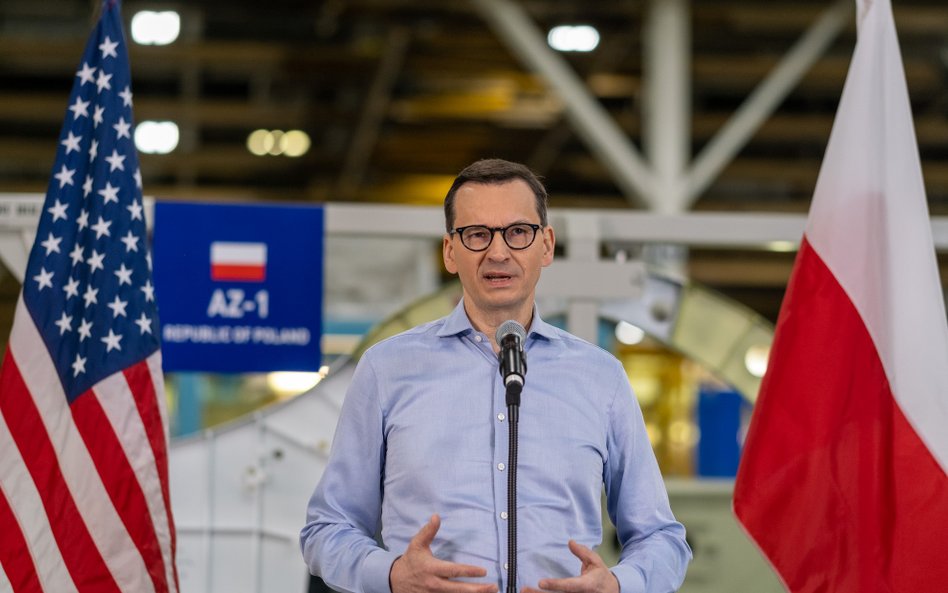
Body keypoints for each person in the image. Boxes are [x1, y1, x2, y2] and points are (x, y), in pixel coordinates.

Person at [300, 159, 691, 593]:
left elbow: (663, 539)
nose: (498, 252)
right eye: (477, 234)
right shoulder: (387, 370)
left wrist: (618, 585)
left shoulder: (601, 378)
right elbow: (327, 529)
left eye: (518, 232)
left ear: (546, 245)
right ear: (451, 251)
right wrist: (392, 575)